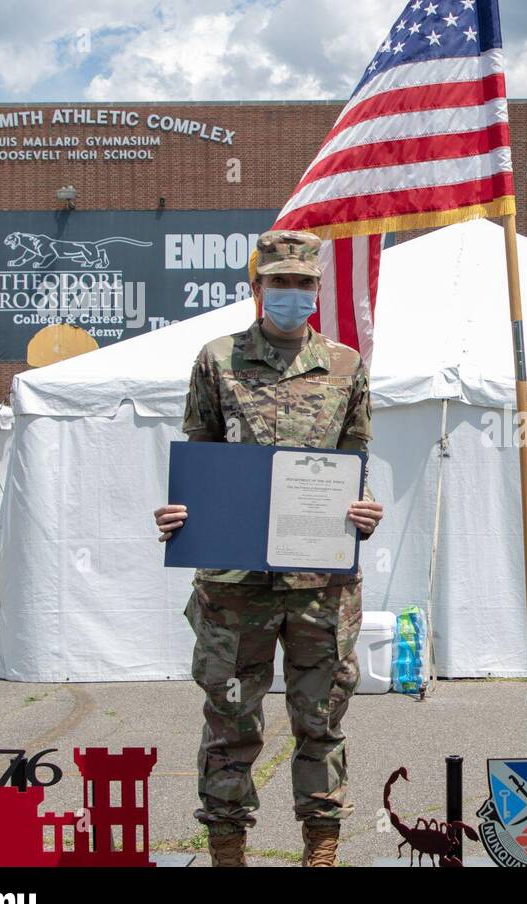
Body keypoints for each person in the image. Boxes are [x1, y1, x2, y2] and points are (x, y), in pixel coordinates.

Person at [153, 230, 383, 867]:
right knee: (231, 720)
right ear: (256, 289)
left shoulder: (344, 366)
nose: (291, 293)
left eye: (302, 283)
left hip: (319, 585)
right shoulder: (217, 359)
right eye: (277, 282)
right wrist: (180, 513)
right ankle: (228, 849)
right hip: (234, 586)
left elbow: (353, 461)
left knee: (322, 719)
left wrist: (363, 511)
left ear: (316, 290)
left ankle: (322, 845)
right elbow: (198, 459)